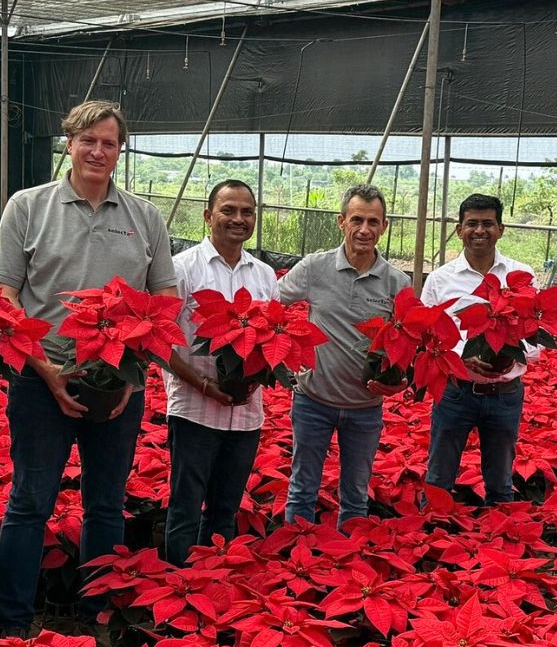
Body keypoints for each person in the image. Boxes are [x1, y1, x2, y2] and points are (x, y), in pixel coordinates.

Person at [0, 100, 178, 637]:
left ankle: (99, 616)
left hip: (117, 384)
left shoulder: (145, 217)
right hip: (39, 378)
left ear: (121, 150)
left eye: (109, 143)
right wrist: (44, 366)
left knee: (106, 505)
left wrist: (133, 377)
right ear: (68, 143)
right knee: (29, 501)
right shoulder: (27, 206)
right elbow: (2, 293)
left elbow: (162, 298)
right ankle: (14, 623)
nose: (98, 151)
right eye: (88, 140)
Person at [278, 184, 409, 527]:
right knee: (302, 488)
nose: (364, 229)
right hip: (312, 401)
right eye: (357, 220)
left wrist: (399, 381)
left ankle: (349, 565)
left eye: (373, 221)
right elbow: (270, 306)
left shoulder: (398, 283)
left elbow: (407, 345)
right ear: (341, 222)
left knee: (355, 494)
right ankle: (296, 558)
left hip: (365, 409)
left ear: (384, 226)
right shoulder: (314, 268)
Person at [163, 180, 277, 566]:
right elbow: (161, 342)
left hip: (245, 414)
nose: (238, 219)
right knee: (185, 508)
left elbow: (270, 342)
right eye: (229, 210)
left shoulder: (264, 275)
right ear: (209, 216)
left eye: (246, 212)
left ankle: (216, 585)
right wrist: (205, 384)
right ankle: (179, 582)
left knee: (225, 509)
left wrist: (256, 379)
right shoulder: (181, 270)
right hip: (194, 409)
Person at [421, 193, 535, 506]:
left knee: (500, 482)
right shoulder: (440, 279)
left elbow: (532, 332)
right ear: (459, 229)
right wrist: (460, 357)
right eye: (472, 223)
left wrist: (509, 356)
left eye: (487, 223)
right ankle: (429, 538)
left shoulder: (520, 276)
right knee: (438, 479)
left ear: (501, 228)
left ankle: (500, 540)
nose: (479, 230)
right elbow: (427, 336)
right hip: (456, 392)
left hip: (505, 393)